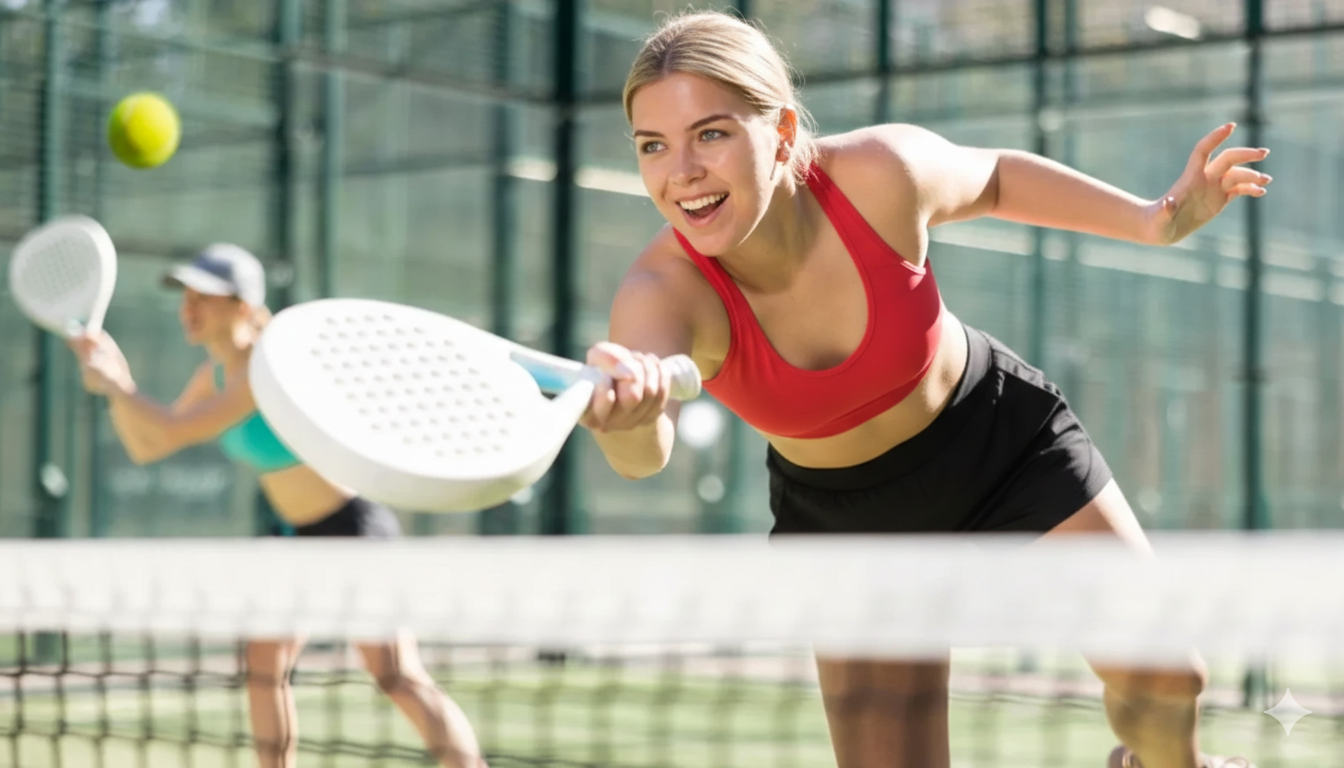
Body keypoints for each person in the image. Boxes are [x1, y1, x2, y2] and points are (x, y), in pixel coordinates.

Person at [579, 10, 1267, 768]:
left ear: (778, 133)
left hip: (1000, 441)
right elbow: (642, 458)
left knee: (1168, 677)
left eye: (710, 134)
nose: (681, 172)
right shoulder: (660, 293)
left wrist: (1153, 221)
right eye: (653, 146)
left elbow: (998, 176)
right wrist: (627, 420)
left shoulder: (881, 173)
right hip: (848, 529)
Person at [67, 244, 487, 768]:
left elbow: (176, 427)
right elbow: (149, 445)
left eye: (204, 297)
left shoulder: (270, 365)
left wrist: (120, 384)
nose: (188, 309)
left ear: (243, 306)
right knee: (264, 663)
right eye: (185, 297)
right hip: (302, 539)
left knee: (397, 676)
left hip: (354, 535)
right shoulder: (212, 375)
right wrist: (112, 390)